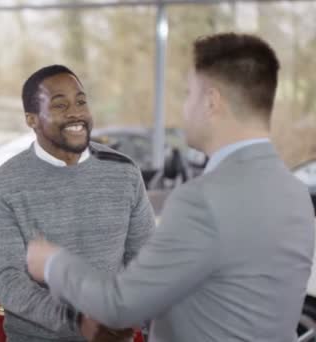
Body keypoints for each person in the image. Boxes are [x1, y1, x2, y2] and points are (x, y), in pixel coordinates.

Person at [27, 33, 315, 342]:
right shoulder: (296, 195)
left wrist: (51, 262)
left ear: (211, 102)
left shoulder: (202, 201)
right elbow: (231, 298)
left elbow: (120, 304)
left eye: (189, 93)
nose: (184, 107)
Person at [0, 65, 155, 341]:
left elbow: (145, 265)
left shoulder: (124, 172)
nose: (76, 112)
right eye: (60, 105)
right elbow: (8, 282)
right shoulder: (1, 187)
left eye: (81, 101)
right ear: (32, 119)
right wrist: (78, 322)